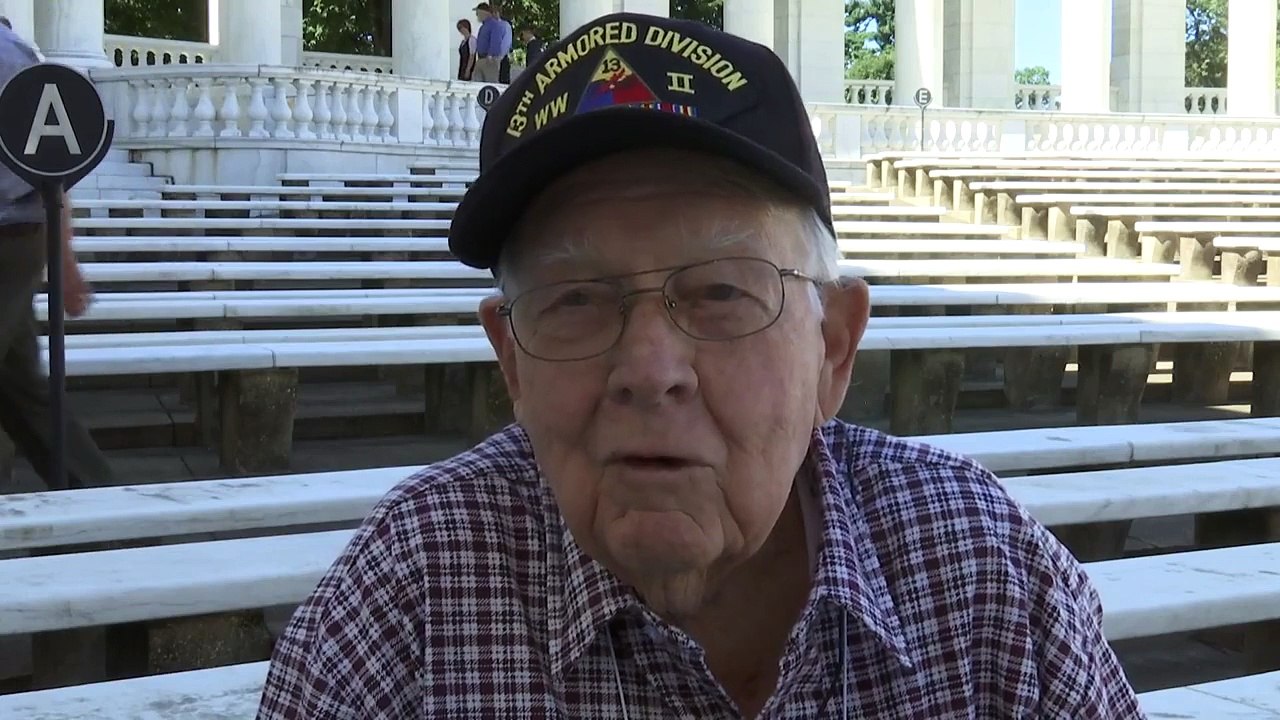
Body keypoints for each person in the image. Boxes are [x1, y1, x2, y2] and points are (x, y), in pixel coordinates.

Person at [256, 12, 1147, 719]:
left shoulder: (981, 570)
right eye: (574, 299)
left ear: (833, 345)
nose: (649, 369)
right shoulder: (410, 591)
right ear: (512, 363)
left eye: (722, 293)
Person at [0, 22, 111, 492]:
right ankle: (97, 500)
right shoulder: (15, 53)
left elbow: (52, 166)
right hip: (15, 235)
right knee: (23, 391)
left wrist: (64, 262)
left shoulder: (9, 57)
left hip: (8, 234)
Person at [471, 2, 510, 84]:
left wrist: (491, 54)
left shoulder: (495, 25)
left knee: (490, 82)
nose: (477, 15)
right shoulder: (483, 26)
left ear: (483, 12)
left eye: (478, 13)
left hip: (489, 59)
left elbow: (496, 41)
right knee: (477, 81)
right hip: (481, 58)